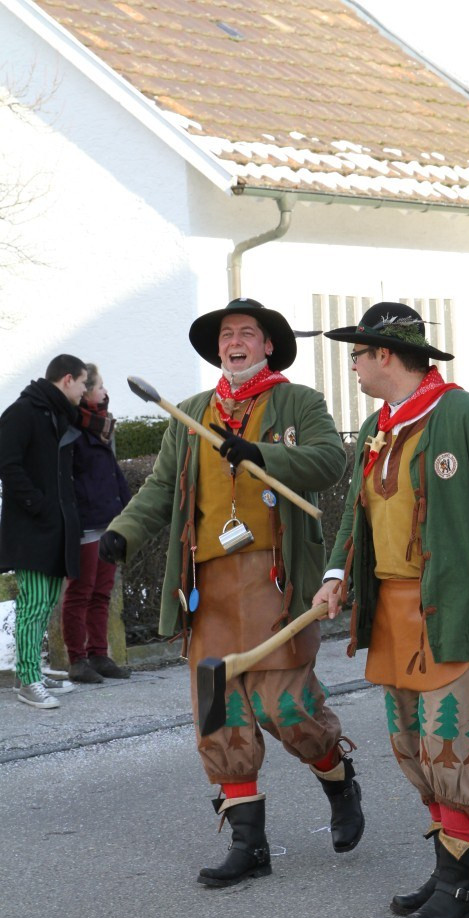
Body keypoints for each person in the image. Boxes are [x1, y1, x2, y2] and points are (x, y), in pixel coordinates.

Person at [99, 297, 364, 887]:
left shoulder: (299, 402)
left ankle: (339, 780)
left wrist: (262, 454)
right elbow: (162, 488)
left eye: (248, 333)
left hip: (275, 583)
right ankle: (249, 843)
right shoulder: (192, 414)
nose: (235, 342)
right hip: (210, 589)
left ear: (268, 345)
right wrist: (123, 533)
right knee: (218, 713)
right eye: (227, 335)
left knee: (287, 710)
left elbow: (328, 460)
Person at [312, 303, 469, 918]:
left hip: (453, 609)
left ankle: (462, 885)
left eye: (357, 354)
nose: (352, 365)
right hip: (391, 612)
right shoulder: (375, 426)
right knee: (411, 744)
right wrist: (335, 577)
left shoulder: (467, 416)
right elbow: (357, 516)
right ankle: (446, 871)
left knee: (454, 743)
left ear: (385, 355)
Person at [0, 354, 87, 708]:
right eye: (83, 383)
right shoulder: (23, 412)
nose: (85, 390)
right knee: (33, 605)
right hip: (32, 529)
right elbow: (7, 463)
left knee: (46, 602)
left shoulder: (56, 414)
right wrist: (37, 504)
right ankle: (27, 681)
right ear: (67, 379)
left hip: (54, 527)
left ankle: (32, 668)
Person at [61, 364, 131, 683]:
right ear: (85, 391)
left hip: (109, 521)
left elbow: (112, 472)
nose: (105, 392)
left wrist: (127, 510)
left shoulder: (103, 426)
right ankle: (77, 660)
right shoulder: (71, 429)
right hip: (85, 525)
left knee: (101, 592)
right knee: (80, 592)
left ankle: (99, 655)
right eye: (100, 387)